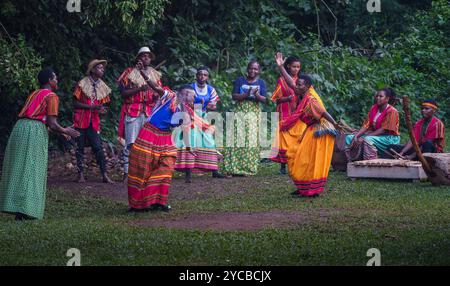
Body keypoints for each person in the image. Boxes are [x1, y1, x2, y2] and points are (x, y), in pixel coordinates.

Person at [0, 68, 80, 220]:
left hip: (20, 128)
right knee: (32, 168)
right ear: (50, 80)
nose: (57, 80)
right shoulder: (52, 96)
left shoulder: (34, 93)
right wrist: (66, 131)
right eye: (55, 78)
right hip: (34, 130)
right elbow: (52, 122)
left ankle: (17, 207)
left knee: (19, 168)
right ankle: (26, 210)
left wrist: (61, 131)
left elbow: (43, 118)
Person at [127, 82, 214, 212]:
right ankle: (138, 205)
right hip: (149, 134)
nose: (194, 99)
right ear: (185, 94)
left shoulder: (186, 111)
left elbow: (185, 130)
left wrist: (189, 148)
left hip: (165, 138)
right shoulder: (169, 96)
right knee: (142, 169)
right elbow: (156, 88)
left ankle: (158, 201)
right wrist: (146, 77)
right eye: (193, 96)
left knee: (166, 168)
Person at [275, 53, 340, 197]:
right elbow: (291, 83)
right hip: (312, 128)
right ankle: (304, 187)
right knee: (301, 158)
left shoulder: (311, 98)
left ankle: (310, 189)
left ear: (307, 87)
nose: (296, 86)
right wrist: (280, 66)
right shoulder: (303, 92)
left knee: (308, 160)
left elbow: (323, 113)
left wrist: (335, 124)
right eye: (297, 84)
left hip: (320, 131)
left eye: (299, 85)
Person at [117, 47, 163, 181]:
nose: (146, 58)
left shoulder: (154, 74)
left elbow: (159, 92)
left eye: (148, 56)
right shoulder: (129, 72)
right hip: (133, 111)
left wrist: (155, 96)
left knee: (148, 144)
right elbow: (123, 93)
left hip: (149, 112)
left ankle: (145, 173)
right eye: (143, 56)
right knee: (130, 144)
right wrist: (139, 89)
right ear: (138, 58)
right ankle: (127, 173)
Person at [174, 67, 226, 182]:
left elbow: (214, 105)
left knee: (208, 139)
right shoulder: (190, 88)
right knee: (190, 140)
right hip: (189, 115)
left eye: (205, 75)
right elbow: (184, 101)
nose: (202, 76)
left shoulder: (210, 89)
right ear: (196, 76)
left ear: (207, 77)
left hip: (201, 115)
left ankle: (214, 170)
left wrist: (205, 105)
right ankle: (188, 172)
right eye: (200, 74)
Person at [222, 60, 267, 176]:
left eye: (255, 69)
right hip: (240, 110)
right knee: (236, 136)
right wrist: (246, 95)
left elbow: (265, 100)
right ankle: (233, 167)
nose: (253, 71)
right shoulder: (240, 80)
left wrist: (256, 95)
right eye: (251, 68)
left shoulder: (261, 82)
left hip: (254, 111)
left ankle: (248, 168)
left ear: (259, 70)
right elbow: (234, 96)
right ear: (247, 69)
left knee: (251, 138)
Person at [73, 59, 113, 184]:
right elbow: (74, 103)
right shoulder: (82, 83)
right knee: (79, 147)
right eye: (100, 68)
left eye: (102, 68)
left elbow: (103, 105)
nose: (102, 70)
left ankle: (104, 174)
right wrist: (91, 107)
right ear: (93, 69)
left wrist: (102, 110)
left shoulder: (102, 85)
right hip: (80, 120)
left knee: (98, 147)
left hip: (94, 121)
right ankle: (80, 175)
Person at [345, 88, 400, 161]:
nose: (378, 98)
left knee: (367, 139)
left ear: (387, 99)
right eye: (377, 96)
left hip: (389, 138)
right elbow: (366, 125)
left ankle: (370, 161)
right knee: (349, 138)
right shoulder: (373, 108)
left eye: (381, 96)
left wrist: (364, 137)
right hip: (375, 136)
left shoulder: (392, 111)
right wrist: (356, 135)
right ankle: (350, 160)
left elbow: (383, 130)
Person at [269, 56, 301, 174]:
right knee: (283, 138)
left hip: (296, 112)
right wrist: (287, 98)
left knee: (295, 137)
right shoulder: (282, 80)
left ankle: (294, 163)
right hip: (284, 112)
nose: (296, 69)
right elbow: (276, 99)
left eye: (298, 67)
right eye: (294, 66)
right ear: (288, 66)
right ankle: (283, 166)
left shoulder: (301, 80)